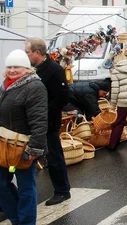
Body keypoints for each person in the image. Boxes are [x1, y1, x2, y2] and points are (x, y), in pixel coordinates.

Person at [0, 50, 47, 225]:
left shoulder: (34, 87)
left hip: (24, 149)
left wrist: (34, 148)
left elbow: (40, 120)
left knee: (26, 186)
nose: (12, 70)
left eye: (16, 67)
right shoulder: (6, 85)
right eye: (9, 66)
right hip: (6, 148)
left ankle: (26, 222)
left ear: (26, 69)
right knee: (2, 184)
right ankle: (17, 219)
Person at [25, 38, 71, 206]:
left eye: (27, 52)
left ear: (37, 53)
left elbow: (62, 98)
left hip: (48, 121)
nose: (26, 55)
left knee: (53, 156)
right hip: (31, 121)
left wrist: (42, 112)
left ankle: (62, 191)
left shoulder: (54, 70)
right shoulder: (32, 69)